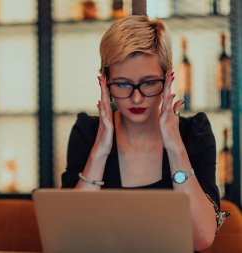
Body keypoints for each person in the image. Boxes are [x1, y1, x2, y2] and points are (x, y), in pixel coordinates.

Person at [61, 15, 228, 252]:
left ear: (168, 78)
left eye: (149, 83)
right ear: (104, 82)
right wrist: (99, 153)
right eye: (122, 84)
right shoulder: (87, 132)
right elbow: (70, 238)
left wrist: (175, 148)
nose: (136, 98)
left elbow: (201, 239)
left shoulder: (194, 133)